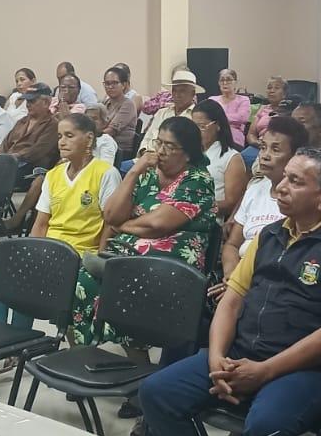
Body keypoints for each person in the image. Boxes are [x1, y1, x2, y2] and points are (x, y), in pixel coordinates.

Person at [140, 147, 321, 436]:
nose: (281, 187)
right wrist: (216, 358)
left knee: (266, 426)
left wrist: (264, 371)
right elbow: (231, 301)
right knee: (157, 392)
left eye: (295, 181)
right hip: (245, 352)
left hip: (313, 370)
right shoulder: (271, 235)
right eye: (285, 178)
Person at [0, 113, 121, 380]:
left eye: (69, 136)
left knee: (28, 278)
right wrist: (32, 254)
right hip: (50, 250)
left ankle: (21, 343)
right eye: (60, 136)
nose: (61, 142)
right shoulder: (53, 175)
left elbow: (110, 224)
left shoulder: (105, 173)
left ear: (89, 140)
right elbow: (41, 223)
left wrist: (100, 258)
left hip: (79, 254)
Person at [75, 118, 218, 345]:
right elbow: (110, 215)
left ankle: (133, 356)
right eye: (158, 142)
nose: (160, 151)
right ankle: (84, 352)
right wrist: (134, 172)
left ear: (188, 154)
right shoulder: (147, 174)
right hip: (129, 253)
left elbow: (157, 225)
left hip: (172, 265)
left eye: (170, 146)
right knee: (81, 282)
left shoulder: (198, 181)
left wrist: (123, 226)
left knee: (121, 286)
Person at [222, 117, 310, 279]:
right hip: (240, 274)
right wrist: (231, 277)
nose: (264, 156)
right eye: (263, 147)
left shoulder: (303, 198)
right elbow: (232, 245)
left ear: (295, 156)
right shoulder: (255, 190)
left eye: (275, 150)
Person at [0, 84, 65, 231]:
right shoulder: (21, 122)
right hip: (8, 164)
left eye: (32, 101)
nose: (28, 104)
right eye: (27, 101)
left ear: (46, 103)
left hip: (31, 168)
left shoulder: (53, 125)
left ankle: (16, 219)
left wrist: (9, 158)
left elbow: (36, 152)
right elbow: (5, 144)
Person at [191, 99, 249, 219]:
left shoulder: (231, 157)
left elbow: (231, 203)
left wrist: (195, 208)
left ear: (217, 125)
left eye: (202, 126)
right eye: (193, 127)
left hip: (208, 218)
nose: (196, 132)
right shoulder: (189, 152)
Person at [133, 68, 202, 160]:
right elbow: (147, 138)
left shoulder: (196, 117)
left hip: (173, 163)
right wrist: (144, 152)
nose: (177, 94)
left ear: (193, 93)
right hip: (146, 159)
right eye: (174, 90)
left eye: (182, 91)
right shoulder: (161, 113)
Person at [100, 65, 139, 158]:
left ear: (123, 85)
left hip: (120, 152)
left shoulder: (128, 104)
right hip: (103, 146)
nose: (110, 87)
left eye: (114, 83)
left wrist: (91, 138)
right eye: (107, 83)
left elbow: (111, 131)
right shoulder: (105, 102)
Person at [210, 69, 251, 146]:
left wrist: (218, 118)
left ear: (235, 82)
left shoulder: (243, 100)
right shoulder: (212, 99)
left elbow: (242, 118)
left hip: (234, 138)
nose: (225, 83)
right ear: (218, 83)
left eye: (228, 80)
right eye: (222, 80)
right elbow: (208, 118)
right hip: (214, 137)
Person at [247, 76, 289, 148]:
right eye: (269, 88)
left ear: (284, 93)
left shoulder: (289, 110)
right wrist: (256, 143)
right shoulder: (263, 108)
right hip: (259, 146)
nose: (271, 91)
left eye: (276, 88)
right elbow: (251, 134)